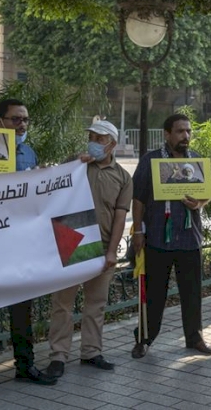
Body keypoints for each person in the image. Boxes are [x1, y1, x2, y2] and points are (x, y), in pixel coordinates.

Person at [0, 99, 55, 400]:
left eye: (26, 120)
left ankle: (25, 365)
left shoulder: (28, 152)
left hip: (21, 244)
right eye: (16, 120)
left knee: (22, 310)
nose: (22, 126)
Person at [44, 121, 132, 377]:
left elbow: (120, 216)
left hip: (103, 246)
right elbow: (52, 188)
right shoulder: (75, 164)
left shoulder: (122, 176)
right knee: (62, 303)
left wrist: (112, 251)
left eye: (99, 138)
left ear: (112, 144)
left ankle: (91, 352)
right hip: (72, 240)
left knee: (96, 303)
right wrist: (74, 166)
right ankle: (58, 356)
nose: (93, 141)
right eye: (91, 136)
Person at [130, 113, 211, 359]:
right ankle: (144, 338)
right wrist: (137, 230)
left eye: (188, 131)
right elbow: (138, 198)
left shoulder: (196, 160)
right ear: (167, 134)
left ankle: (194, 338)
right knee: (154, 293)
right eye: (180, 131)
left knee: (192, 292)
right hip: (157, 237)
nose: (186, 136)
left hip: (189, 237)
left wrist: (198, 203)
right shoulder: (151, 160)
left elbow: (205, 193)